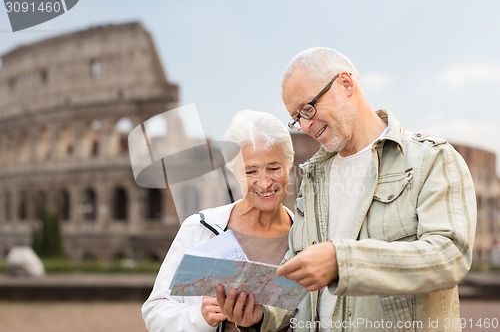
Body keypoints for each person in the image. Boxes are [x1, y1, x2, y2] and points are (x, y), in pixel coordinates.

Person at [217, 47, 477, 332]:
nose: (305, 126)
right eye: (296, 118)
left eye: (308, 109)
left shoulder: (431, 159)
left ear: (346, 83)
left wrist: (343, 261)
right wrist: (260, 316)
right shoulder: (313, 178)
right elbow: (297, 278)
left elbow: (449, 256)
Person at [142, 110, 295, 332]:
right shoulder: (199, 228)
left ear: (289, 164)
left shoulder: (305, 234)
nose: (264, 182)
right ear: (234, 173)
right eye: (250, 171)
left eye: (273, 168)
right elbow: (155, 311)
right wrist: (201, 317)